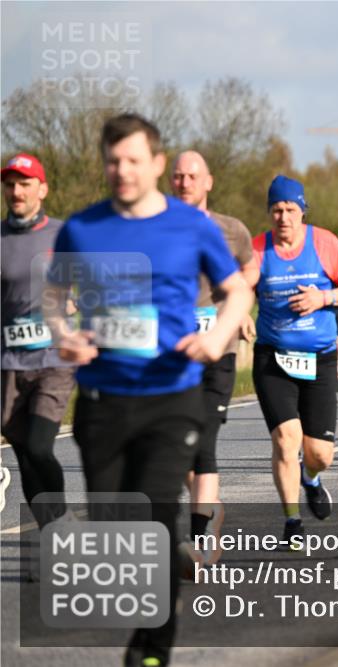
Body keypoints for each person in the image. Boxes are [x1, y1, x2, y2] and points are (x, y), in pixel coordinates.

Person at [43, 114, 254, 667]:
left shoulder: (193, 227)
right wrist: (65, 337)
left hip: (172, 396)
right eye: (113, 160)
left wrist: (217, 342)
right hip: (101, 402)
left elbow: (236, 293)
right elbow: (52, 297)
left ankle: (151, 649)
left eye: (134, 160)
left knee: (157, 513)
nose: (122, 171)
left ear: (157, 164)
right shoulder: (81, 229)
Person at [249, 175, 338, 546]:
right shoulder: (257, 249)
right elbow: (236, 290)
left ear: (302, 211)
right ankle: (292, 521)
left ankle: (311, 477)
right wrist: (236, 315)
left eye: (291, 210)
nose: (284, 217)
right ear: (269, 212)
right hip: (273, 356)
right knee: (286, 439)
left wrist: (323, 298)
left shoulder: (325, 243)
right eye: (277, 210)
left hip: (319, 358)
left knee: (320, 454)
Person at [170, 150, 258, 564]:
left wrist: (236, 309)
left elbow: (251, 269)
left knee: (203, 439)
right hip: (172, 355)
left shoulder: (231, 230)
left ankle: (199, 536)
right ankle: (209, 507)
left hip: (218, 350)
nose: (185, 182)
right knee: (180, 443)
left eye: (193, 175)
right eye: (178, 176)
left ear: (208, 182)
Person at [1, 153, 75, 528]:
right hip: (10, 364)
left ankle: (61, 522)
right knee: (24, 454)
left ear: (42, 189)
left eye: (25, 183)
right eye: (10, 184)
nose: (16, 191)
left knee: (39, 445)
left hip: (54, 361)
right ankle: (54, 532)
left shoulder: (64, 234)